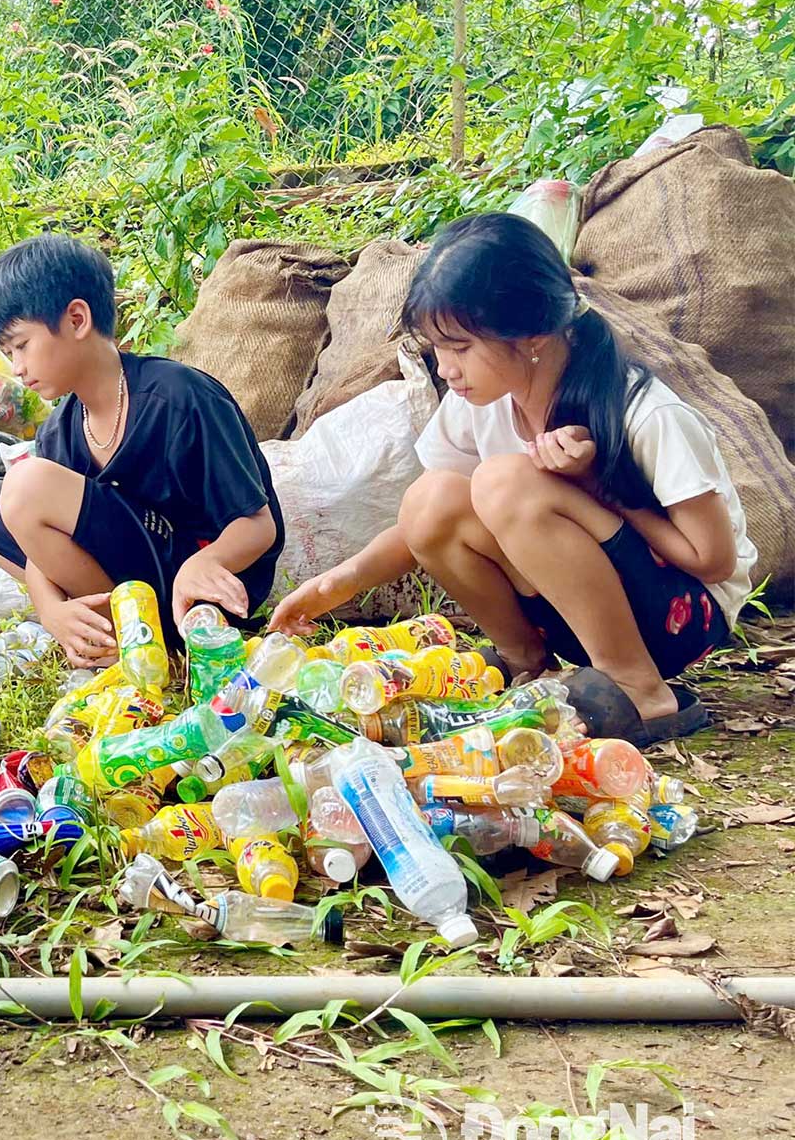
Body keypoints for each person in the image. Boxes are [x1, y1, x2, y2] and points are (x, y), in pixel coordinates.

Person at [269, 213, 754, 743]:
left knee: (503, 482)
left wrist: (599, 487)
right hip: (571, 609)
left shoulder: (645, 413)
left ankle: (639, 688)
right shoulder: (480, 403)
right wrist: (339, 583)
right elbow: (426, 524)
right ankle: (529, 662)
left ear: (532, 335)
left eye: (461, 348)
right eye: (438, 350)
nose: (447, 370)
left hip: (677, 618)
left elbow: (714, 560)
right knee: (432, 497)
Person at [0, 235, 284, 667]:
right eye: (7, 352)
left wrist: (201, 565)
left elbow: (259, 527)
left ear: (76, 319)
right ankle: (112, 632)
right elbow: (39, 539)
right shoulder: (61, 429)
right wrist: (50, 611)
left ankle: (147, 638)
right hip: (128, 577)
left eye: (21, 346)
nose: (16, 367)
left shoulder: (179, 399)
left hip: (196, 585)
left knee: (25, 485)